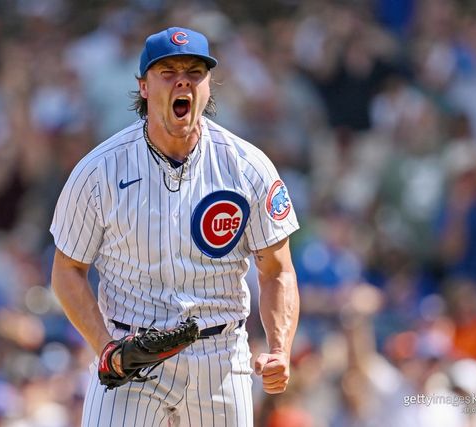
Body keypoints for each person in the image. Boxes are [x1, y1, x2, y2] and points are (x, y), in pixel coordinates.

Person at [50, 26, 300, 426]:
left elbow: (277, 270)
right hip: (131, 354)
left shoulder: (246, 166)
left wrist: (280, 348)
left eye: (195, 72)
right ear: (143, 86)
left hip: (220, 356)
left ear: (208, 86)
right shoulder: (99, 170)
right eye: (168, 72)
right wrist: (104, 347)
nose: (183, 81)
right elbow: (67, 270)